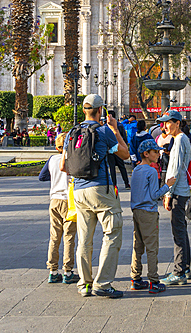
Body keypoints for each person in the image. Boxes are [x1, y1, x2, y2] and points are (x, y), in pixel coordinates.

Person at [66, 94, 129, 298]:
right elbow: (124, 153)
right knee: (111, 233)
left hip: (78, 190)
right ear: (101, 110)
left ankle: (84, 283)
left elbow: (66, 164)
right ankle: (102, 284)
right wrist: (114, 128)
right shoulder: (103, 131)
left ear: (84, 110)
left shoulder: (72, 132)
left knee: (84, 238)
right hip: (101, 188)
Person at [129, 138, 174, 295]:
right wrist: (168, 185)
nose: (158, 154)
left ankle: (135, 278)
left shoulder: (136, 170)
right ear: (146, 154)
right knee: (152, 247)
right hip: (149, 211)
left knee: (138, 245)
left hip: (136, 211)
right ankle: (154, 281)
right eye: (155, 152)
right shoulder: (151, 171)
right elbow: (155, 195)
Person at [158, 109, 191, 286]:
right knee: (181, 229)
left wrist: (168, 193)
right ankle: (185, 267)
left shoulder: (179, 140)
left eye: (168, 122)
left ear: (177, 123)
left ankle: (179, 272)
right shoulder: (182, 139)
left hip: (178, 191)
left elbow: (175, 169)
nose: (165, 126)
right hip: (182, 189)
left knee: (177, 232)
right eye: (163, 123)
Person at [40, 134, 79, 285]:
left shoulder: (52, 159)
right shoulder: (74, 159)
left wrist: (54, 177)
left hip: (54, 199)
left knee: (54, 236)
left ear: (57, 147)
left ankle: (52, 270)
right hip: (69, 200)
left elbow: (41, 177)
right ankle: (68, 271)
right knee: (69, 236)